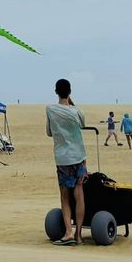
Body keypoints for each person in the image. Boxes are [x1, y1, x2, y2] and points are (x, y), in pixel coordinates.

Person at [46, 78, 86, 246]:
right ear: (70, 92)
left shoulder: (50, 109)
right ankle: (78, 234)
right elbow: (82, 125)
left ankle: (68, 232)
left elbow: (49, 133)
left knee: (65, 196)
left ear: (56, 91)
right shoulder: (77, 111)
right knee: (79, 193)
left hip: (63, 158)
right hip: (79, 157)